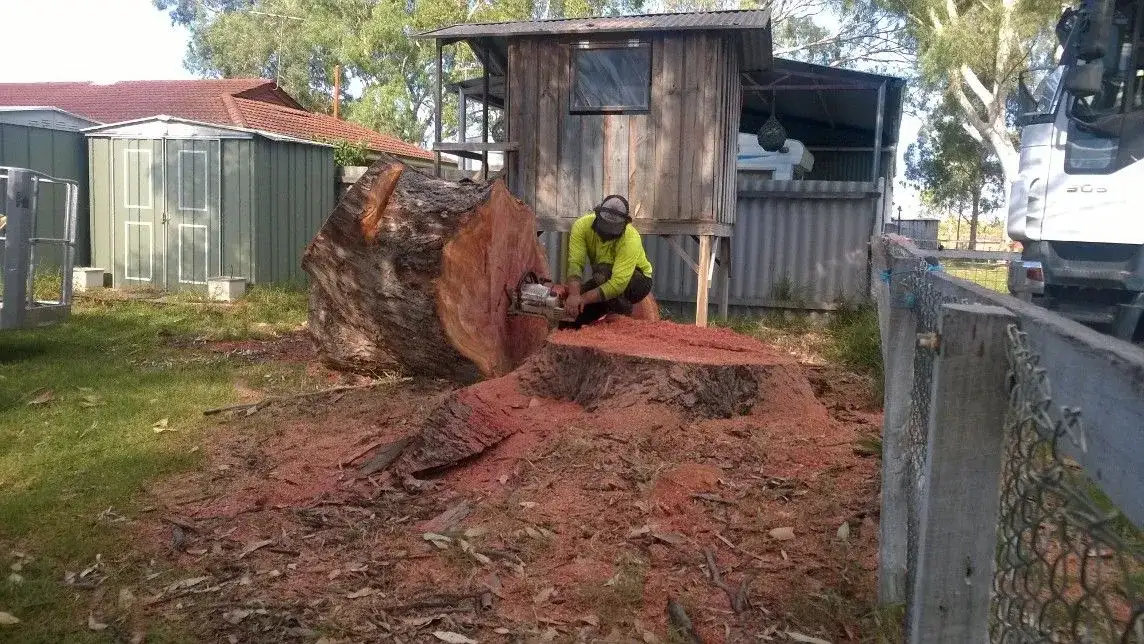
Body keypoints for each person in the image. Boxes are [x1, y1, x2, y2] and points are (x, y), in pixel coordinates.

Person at [560, 194, 654, 328]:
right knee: (569, 314)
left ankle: (622, 314)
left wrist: (584, 299)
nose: (607, 234)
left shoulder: (631, 238)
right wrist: (574, 295)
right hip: (604, 277)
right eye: (605, 227)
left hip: (638, 282)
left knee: (602, 275)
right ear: (597, 215)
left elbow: (618, 283)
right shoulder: (581, 226)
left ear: (625, 224)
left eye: (613, 230)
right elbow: (575, 263)